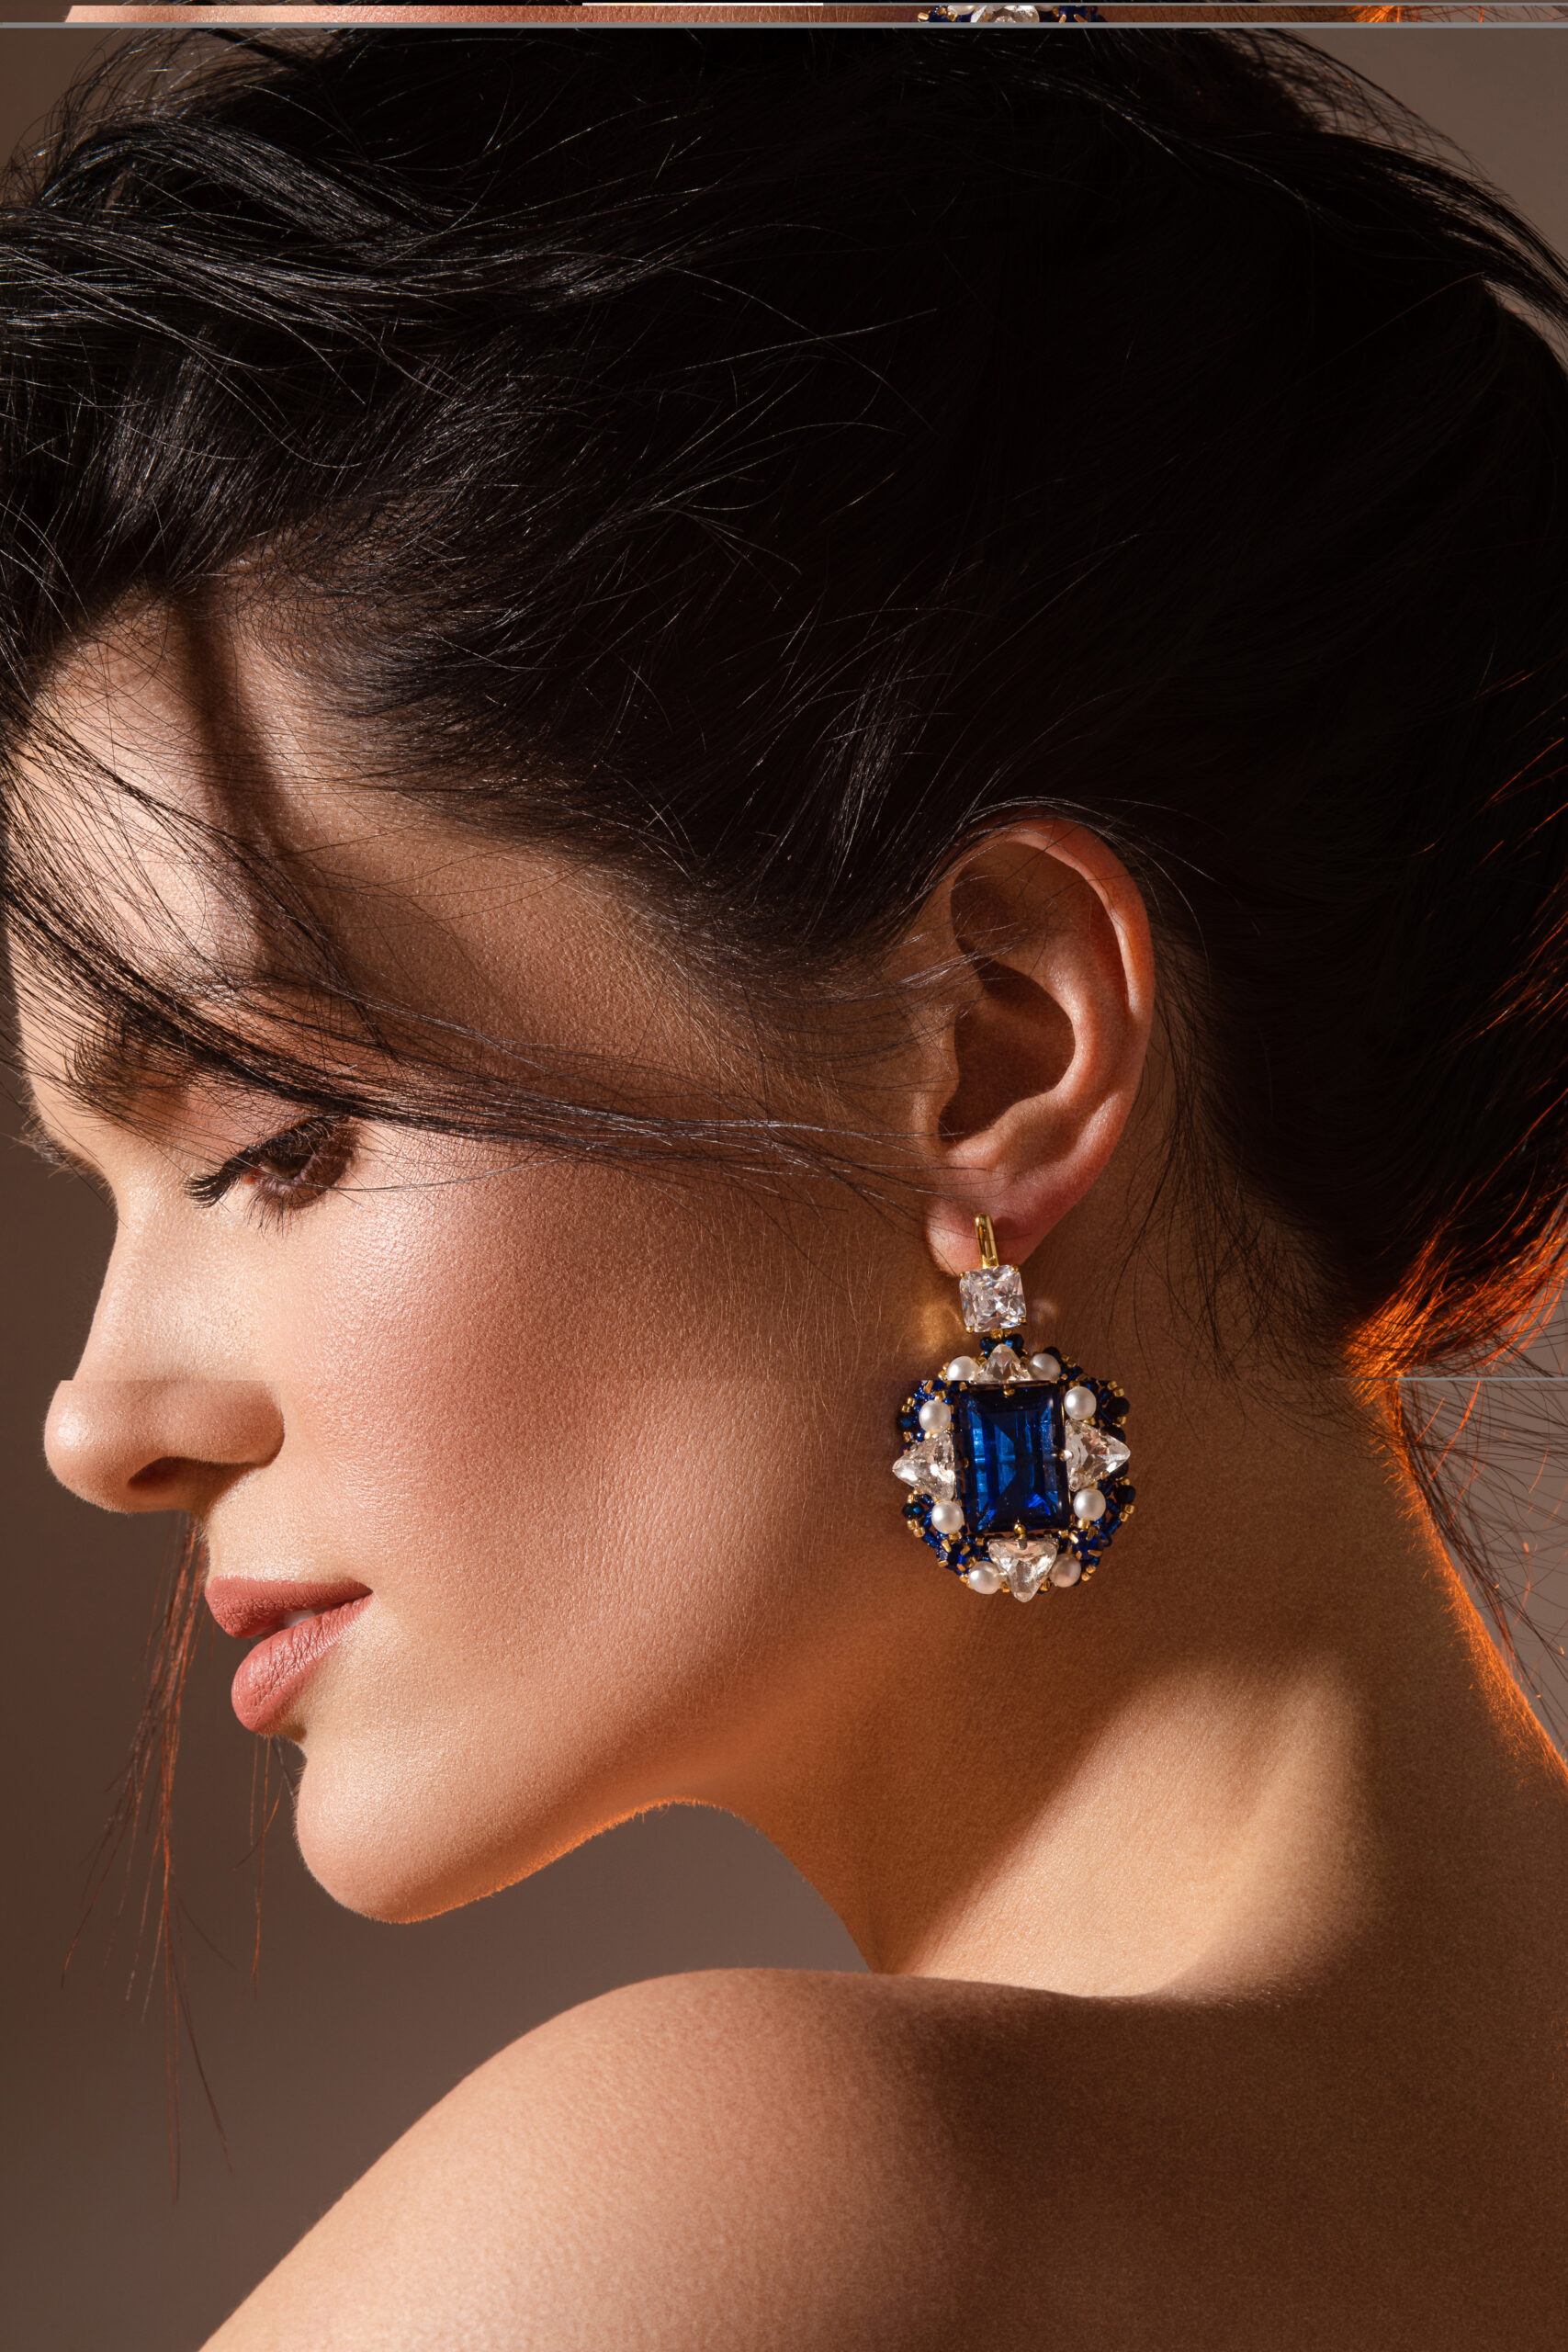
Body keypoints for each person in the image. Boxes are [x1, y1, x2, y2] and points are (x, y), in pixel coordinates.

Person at [4, 27, 1567, 2347]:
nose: (97, 1420)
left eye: (271, 1139)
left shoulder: (735, 2201)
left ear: (991, 1046)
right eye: (104, 1189)